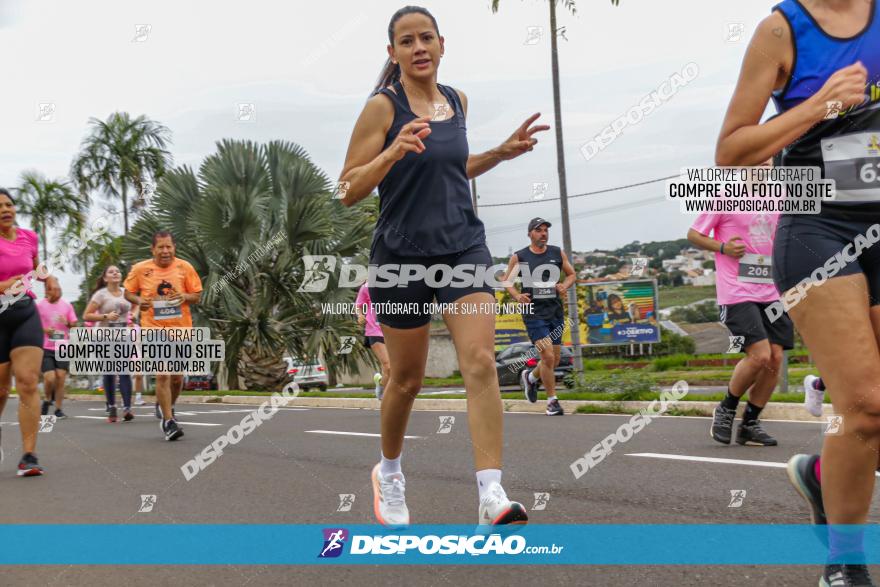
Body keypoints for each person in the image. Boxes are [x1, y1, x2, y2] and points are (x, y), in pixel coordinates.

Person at [338, 6, 547, 526]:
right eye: (406, 42)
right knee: (406, 380)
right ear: (393, 54)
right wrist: (391, 154)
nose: (418, 48)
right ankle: (388, 473)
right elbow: (346, 190)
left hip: (462, 248)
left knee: (479, 361)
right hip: (402, 257)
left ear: (442, 43)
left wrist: (499, 152)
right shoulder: (381, 109)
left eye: (425, 38)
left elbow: (453, 167)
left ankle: (491, 495)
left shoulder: (457, 101)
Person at [717, 0, 880, 582]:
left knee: (868, 417)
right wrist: (819, 106)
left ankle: (820, 476)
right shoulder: (782, 30)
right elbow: (732, 149)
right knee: (863, 404)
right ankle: (845, 563)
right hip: (821, 225)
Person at [687, 161, 794, 448]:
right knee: (759, 354)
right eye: (756, 161)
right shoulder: (725, 195)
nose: (762, 165)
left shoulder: (780, 197)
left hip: (772, 289)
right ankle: (726, 408)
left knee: (775, 358)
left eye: (767, 161)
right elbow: (694, 234)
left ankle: (750, 424)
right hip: (737, 291)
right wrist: (723, 248)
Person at [124, 231, 203, 441]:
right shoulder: (141, 269)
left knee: (177, 379)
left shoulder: (184, 267)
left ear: (174, 248)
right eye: (161, 247)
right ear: (153, 249)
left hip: (181, 329)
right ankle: (168, 422)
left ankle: (167, 405)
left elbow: (197, 295)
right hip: (153, 328)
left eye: (169, 246)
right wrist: (139, 301)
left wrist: (183, 296)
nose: (165, 251)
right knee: (163, 374)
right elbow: (128, 292)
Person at [502, 217, 575, 415]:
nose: (543, 233)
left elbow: (571, 274)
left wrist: (564, 285)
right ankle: (552, 402)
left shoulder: (556, 252)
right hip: (533, 314)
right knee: (548, 356)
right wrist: (517, 295)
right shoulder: (520, 257)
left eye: (545, 230)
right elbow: (507, 281)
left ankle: (531, 378)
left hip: (555, 311)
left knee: (555, 360)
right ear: (530, 234)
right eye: (538, 230)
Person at [0, 188, 45, 475]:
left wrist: (47, 278)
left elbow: (36, 266)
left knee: (28, 381)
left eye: (8, 204)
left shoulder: (29, 237)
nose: (5, 209)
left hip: (26, 311)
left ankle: (29, 455)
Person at [84, 265, 134, 423]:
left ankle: (127, 408)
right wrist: (105, 316)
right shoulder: (101, 294)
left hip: (123, 336)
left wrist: (133, 317)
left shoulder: (127, 292)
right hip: (104, 337)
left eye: (118, 271)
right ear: (105, 278)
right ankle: (112, 406)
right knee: (110, 372)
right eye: (111, 271)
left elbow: (137, 304)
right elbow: (87, 315)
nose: (116, 273)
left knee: (125, 371)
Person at [36, 276, 77, 420]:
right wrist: (45, 330)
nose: (58, 292)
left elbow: (74, 323)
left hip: (62, 347)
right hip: (46, 348)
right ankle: (47, 399)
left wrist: (67, 323)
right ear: (47, 291)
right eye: (55, 289)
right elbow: (34, 324)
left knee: (60, 378)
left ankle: (58, 409)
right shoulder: (40, 306)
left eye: (60, 289)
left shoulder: (66, 305)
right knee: (49, 378)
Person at [355, 282, 389, 400]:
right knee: (387, 365)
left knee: (391, 369)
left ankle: (380, 383)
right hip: (375, 330)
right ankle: (386, 393)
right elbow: (358, 305)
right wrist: (360, 315)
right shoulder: (367, 287)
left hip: (393, 330)